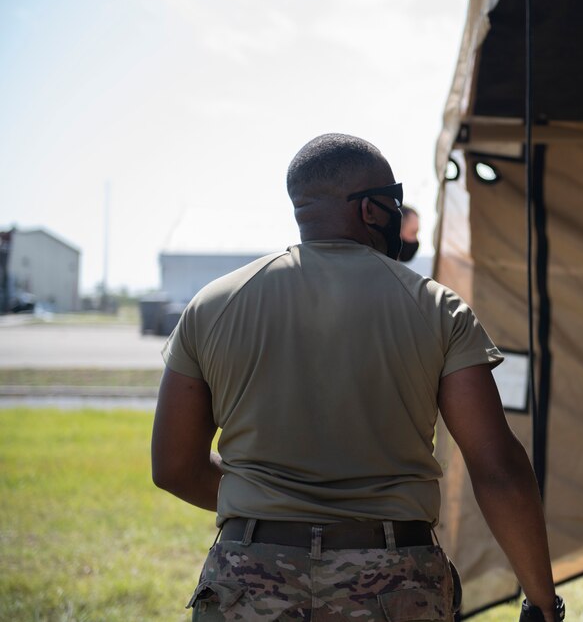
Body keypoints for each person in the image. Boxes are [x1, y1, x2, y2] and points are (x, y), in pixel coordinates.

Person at [151, 133, 562, 621]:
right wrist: (542, 601)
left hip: (250, 580)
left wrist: (274, 504)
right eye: (394, 203)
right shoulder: (436, 308)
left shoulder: (214, 305)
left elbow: (174, 466)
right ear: (370, 211)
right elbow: (498, 469)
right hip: (393, 583)